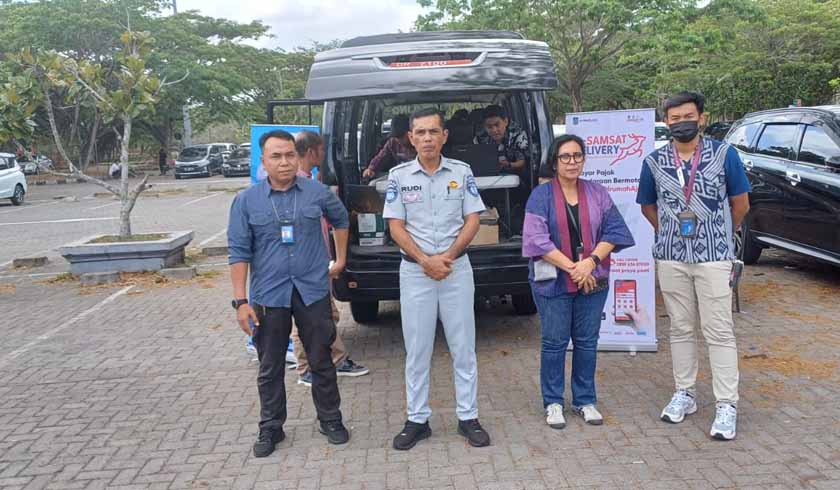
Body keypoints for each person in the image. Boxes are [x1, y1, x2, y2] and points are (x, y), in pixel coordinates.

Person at [227, 129, 351, 458]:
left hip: (311, 291)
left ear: (297, 158)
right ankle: (270, 427)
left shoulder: (317, 192)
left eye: (289, 155)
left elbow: (340, 219)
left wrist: (340, 259)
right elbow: (238, 253)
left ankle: (331, 419)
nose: (284, 162)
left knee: (321, 359)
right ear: (263, 162)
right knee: (269, 367)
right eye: (276, 157)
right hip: (269, 295)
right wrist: (241, 302)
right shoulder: (245, 201)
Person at [636, 91, 751, 441]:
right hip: (671, 256)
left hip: (714, 256)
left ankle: (726, 404)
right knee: (681, 328)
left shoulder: (724, 154)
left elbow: (741, 203)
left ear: (701, 118)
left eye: (688, 116)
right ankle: (684, 393)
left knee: (718, 330)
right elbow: (647, 206)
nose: (681, 122)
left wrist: (717, 234)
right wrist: (670, 233)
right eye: (674, 118)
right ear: (666, 122)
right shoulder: (654, 161)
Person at [383, 108, 491, 450]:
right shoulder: (399, 176)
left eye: (433, 131)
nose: (427, 138)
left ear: (444, 135)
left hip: (455, 270)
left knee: (463, 346)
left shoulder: (462, 172)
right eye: (420, 132)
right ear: (410, 138)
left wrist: (447, 258)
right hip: (415, 273)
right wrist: (424, 260)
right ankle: (417, 419)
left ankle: (468, 417)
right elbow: (395, 226)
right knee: (417, 349)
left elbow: (473, 219)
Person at [522, 134, 634, 430]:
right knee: (554, 342)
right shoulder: (540, 196)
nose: (572, 162)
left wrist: (590, 263)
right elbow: (536, 239)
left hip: (592, 280)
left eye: (577, 156)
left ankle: (585, 400)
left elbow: (614, 231)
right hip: (554, 282)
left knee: (586, 342)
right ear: (554, 162)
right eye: (565, 157)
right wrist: (574, 268)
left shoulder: (597, 192)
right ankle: (553, 402)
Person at [293, 130, 369, 386]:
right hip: (305, 264)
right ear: (312, 151)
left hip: (318, 261)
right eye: (322, 149)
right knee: (306, 316)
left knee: (327, 313)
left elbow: (335, 221)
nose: (324, 154)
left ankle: (336, 359)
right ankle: (307, 368)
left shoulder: (313, 183)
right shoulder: (298, 186)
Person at [362, 114, 416, 179]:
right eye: (396, 136)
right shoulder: (392, 142)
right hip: (400, 176)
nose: (398, 140)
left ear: (410, 133)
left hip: (418, 175)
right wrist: (371, 168)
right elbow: (381, 157)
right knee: (372, 184)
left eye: (400, 136)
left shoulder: (420, 143)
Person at [480, 105, 529, 174]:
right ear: (485, 127)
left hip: (514, 175)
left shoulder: (518, 136)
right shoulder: (480, 138)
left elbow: (522, 162)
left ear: (505, 121)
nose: (494, 130)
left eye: (497, 125)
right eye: (489, 127)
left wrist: (508, 164)